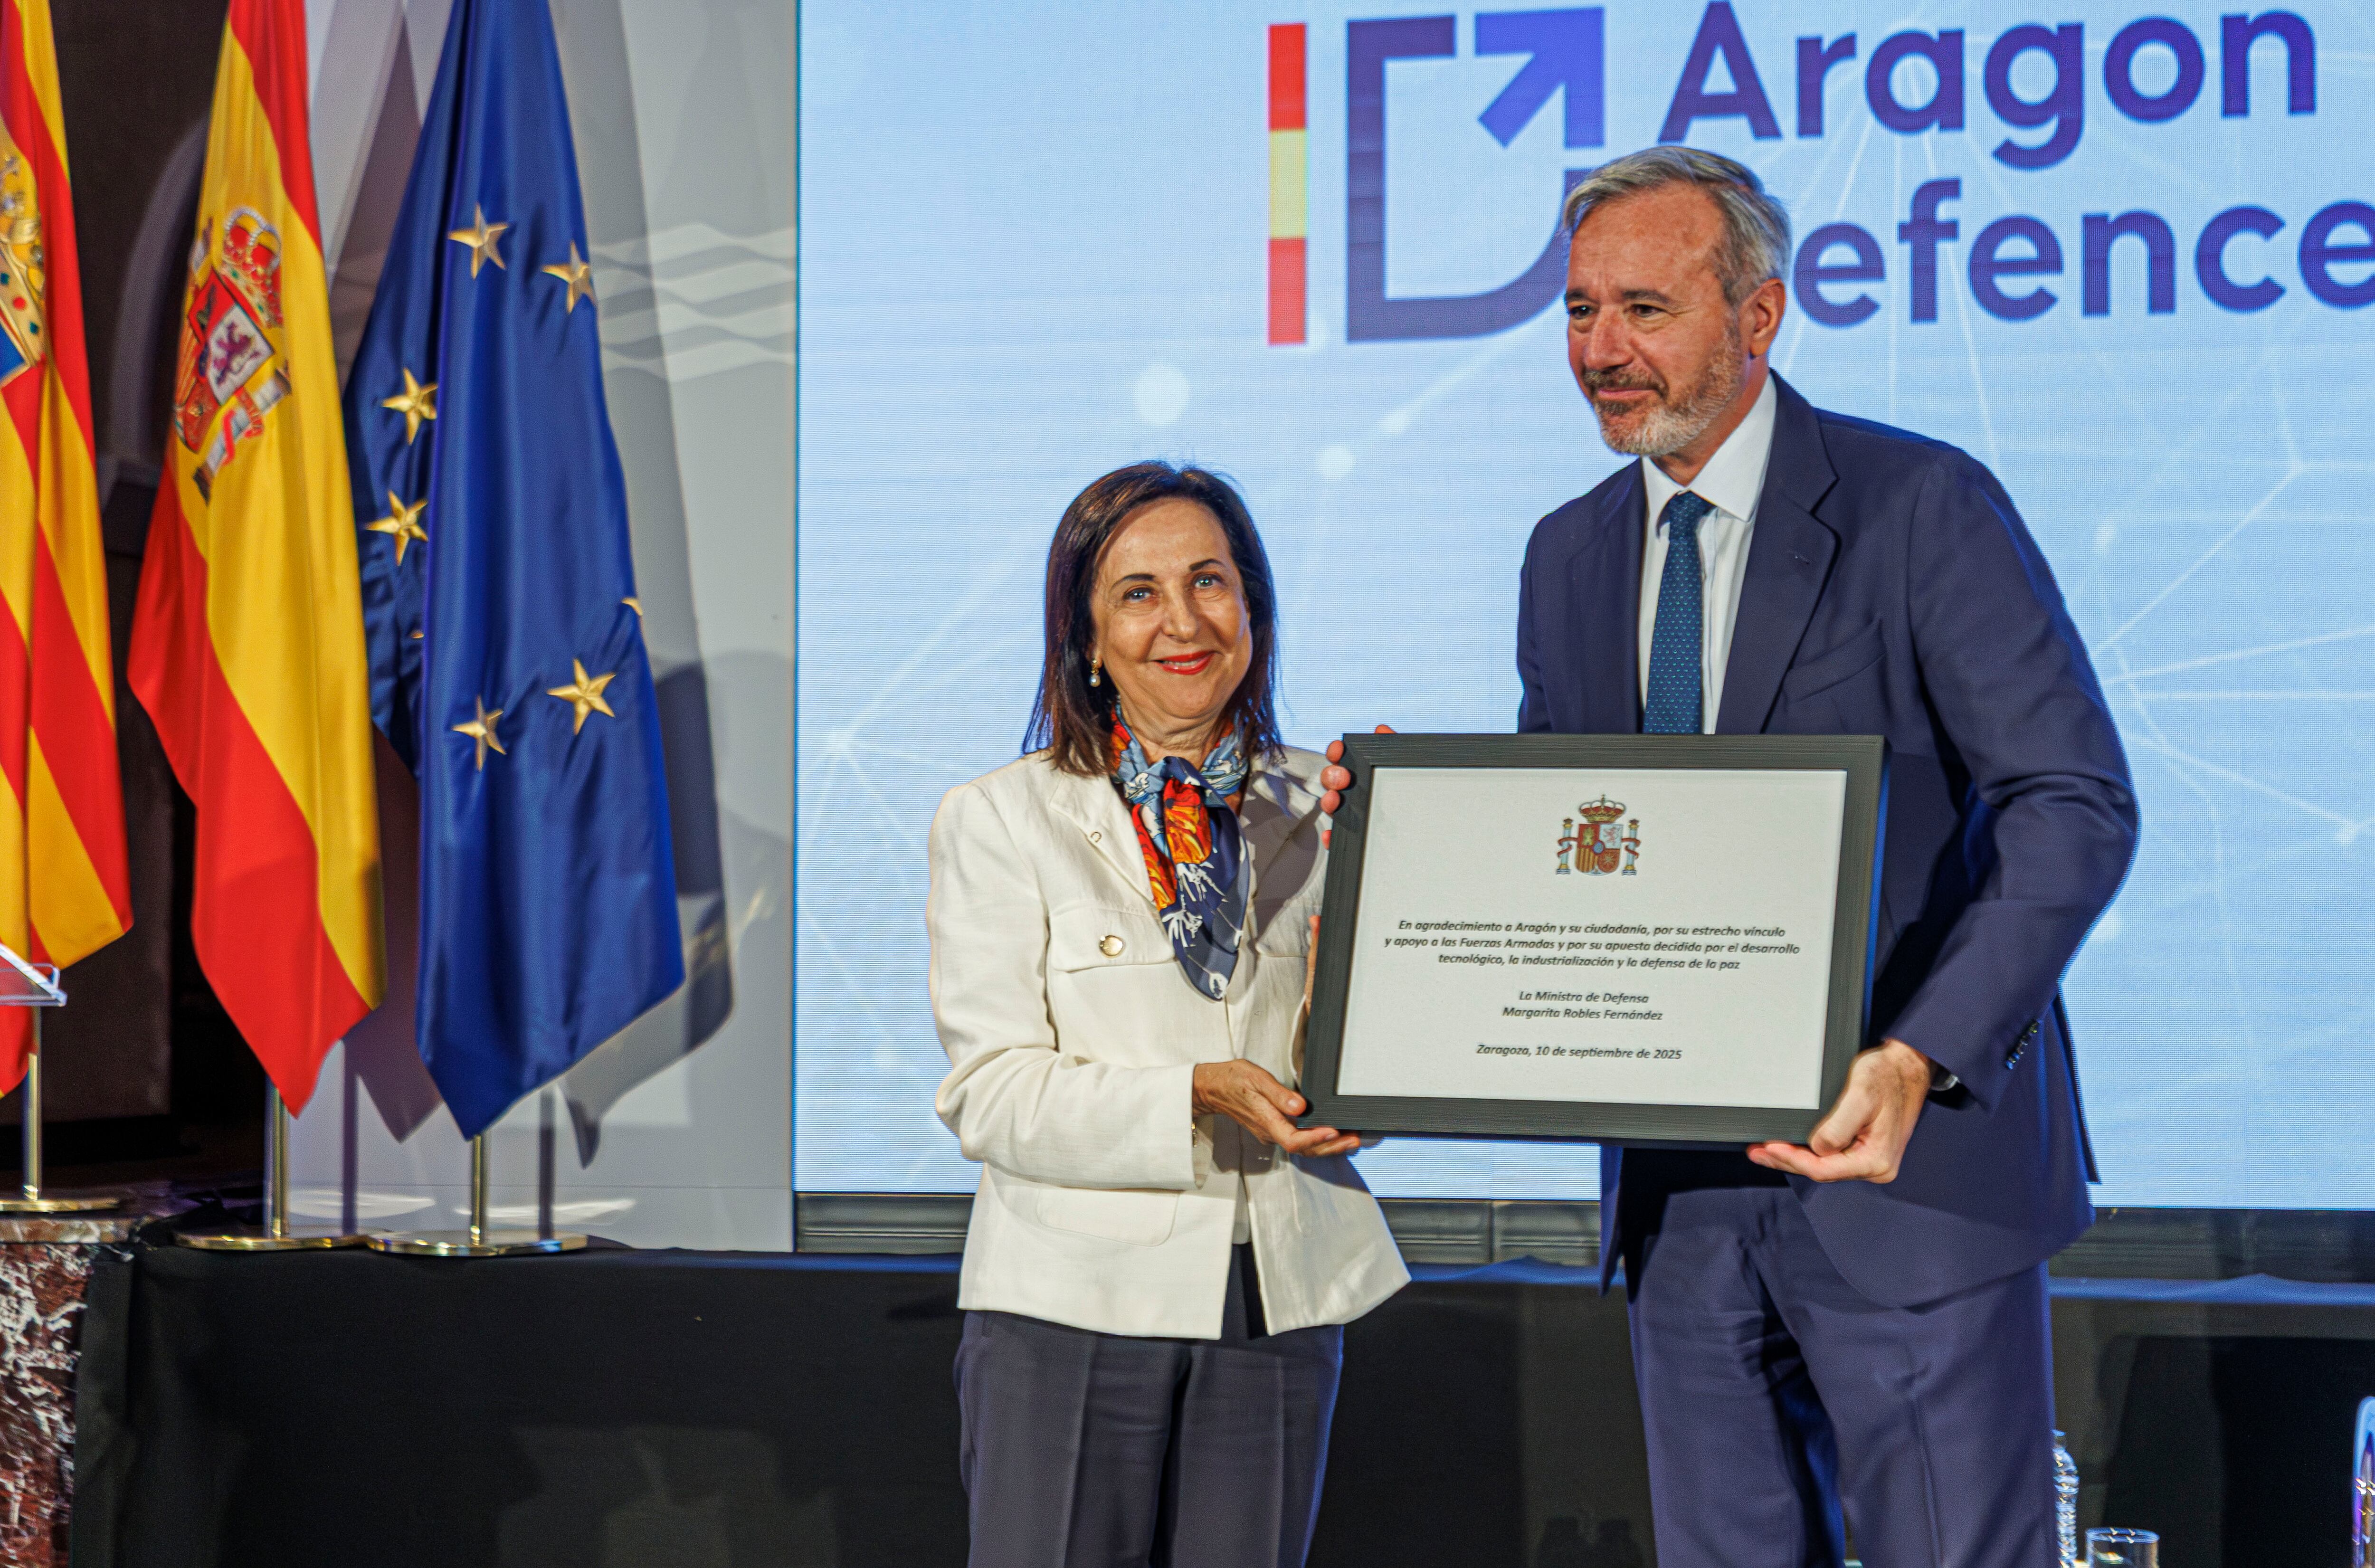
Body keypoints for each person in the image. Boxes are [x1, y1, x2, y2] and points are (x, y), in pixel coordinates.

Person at [1323, 147, 2138, 1568]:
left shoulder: (1918, 507)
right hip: (1680, 1210)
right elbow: (1585, 859)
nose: (1600, 351)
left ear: (1759, 318)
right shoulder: (1567, 554)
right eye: (1579, 312)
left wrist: (1917, 1054)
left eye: (1644, 308)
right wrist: (1412, 837)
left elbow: (2072, 799)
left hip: (1905, 1180)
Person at [930, 461, 1408, 1568]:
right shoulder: (1002, 817)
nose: (1182, 621)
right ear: (1086, 638)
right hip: (1069, 1304)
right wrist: (1191, 1093)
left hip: (1277, 1301)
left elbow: (1360, 1060)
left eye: (1210, 581)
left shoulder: (1335, 802)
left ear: (1253, 610)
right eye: (1138, 594)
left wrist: (1406, 869)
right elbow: (990, 1093)